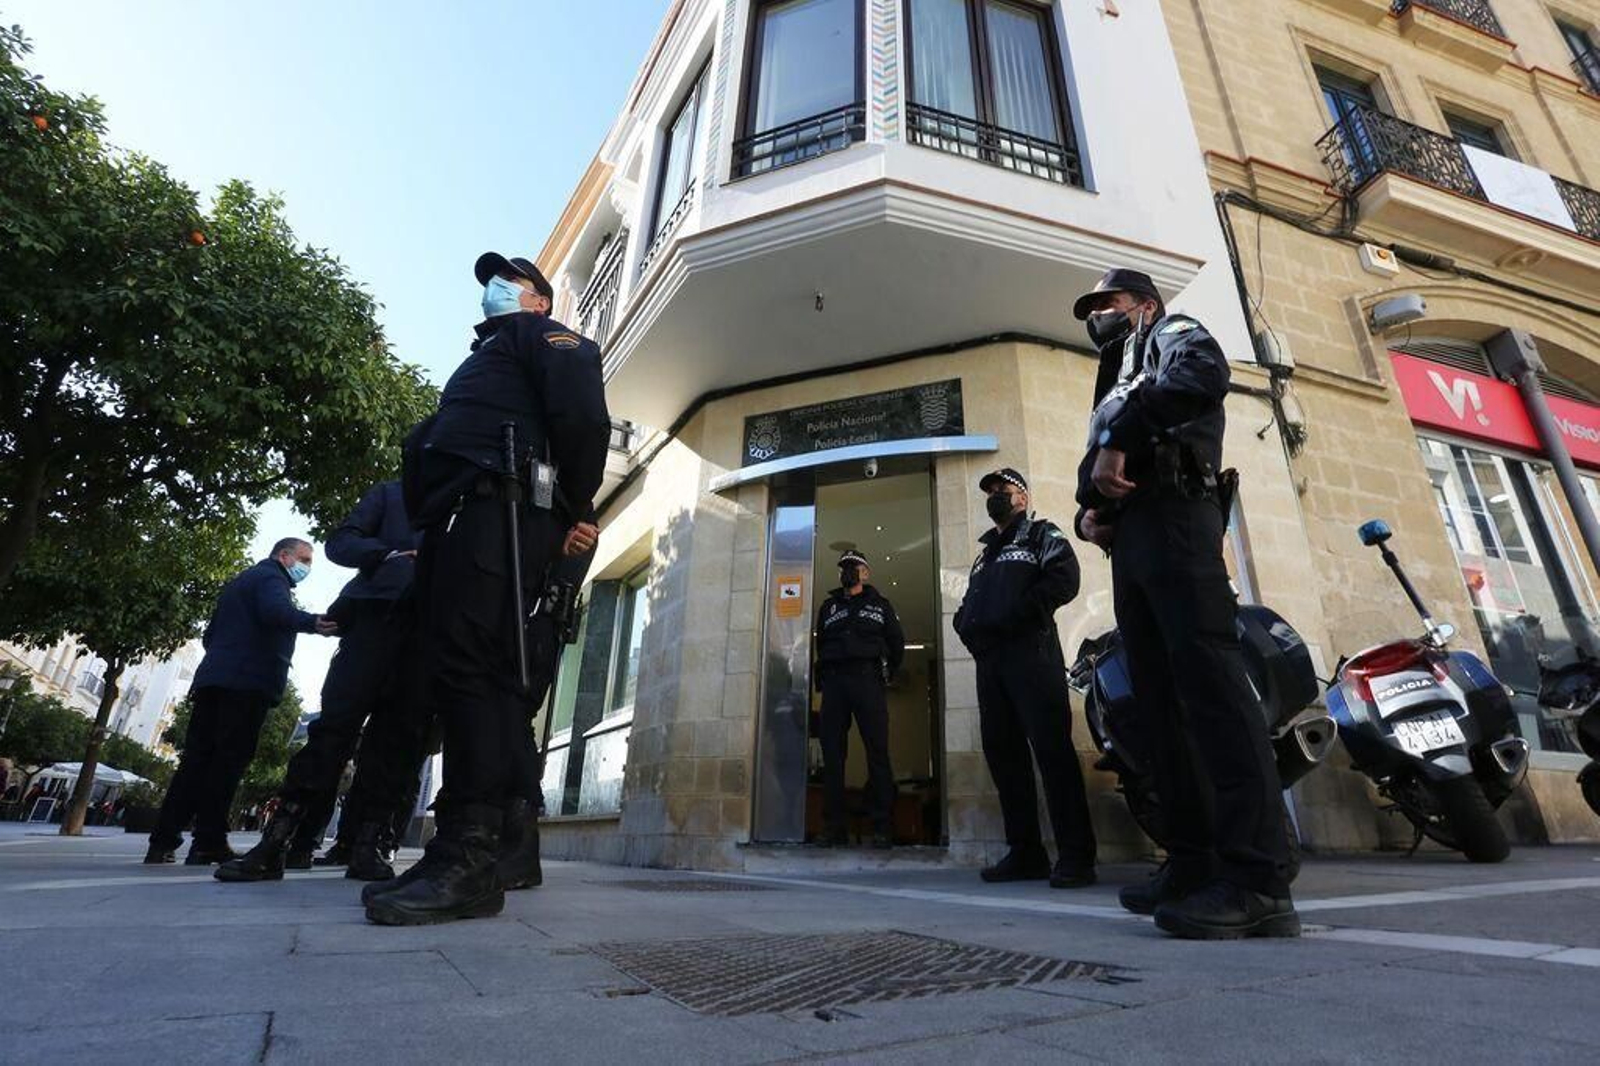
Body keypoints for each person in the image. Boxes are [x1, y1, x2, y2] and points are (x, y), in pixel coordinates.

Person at [363, 251, 610, 926]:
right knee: (461, 674)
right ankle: (468, 846)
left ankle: (469, 855)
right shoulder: (488, 355)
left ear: (540, 301)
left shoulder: (539, 334)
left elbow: (583, 419)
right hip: (460, 519)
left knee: (478, 671)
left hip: (502, 513)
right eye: (491, 282)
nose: (495, 289)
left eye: (511, 281)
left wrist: (573, 507)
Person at [1072, 267, 1298, 940]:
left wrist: (1118, 440)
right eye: (1092, 309)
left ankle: (1258, 879)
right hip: (1133, 537)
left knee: (1212, 692)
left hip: (1178, 516)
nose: (1098, 316)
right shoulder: (1115, 377)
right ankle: (1194, 863)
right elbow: (1097, 465)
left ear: (1144, 303)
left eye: (1109, 303)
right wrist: (1087, 511)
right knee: (1159, 709)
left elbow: (1202, 377)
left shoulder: (1172, 332)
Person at [215, 481, 424, 883]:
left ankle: (368, 843)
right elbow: (342, 542)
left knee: (399, 738)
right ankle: (279, 839)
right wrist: (389, 554)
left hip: (430, 626)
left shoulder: (470, 497)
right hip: (374, 617)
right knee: (333, 730)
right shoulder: (392, 493)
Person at [145, 539, 337, 865]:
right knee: (227, 763)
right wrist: (313, 622)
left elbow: (210, 635)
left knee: (196, 761)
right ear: (284, 556)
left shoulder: (241, 582)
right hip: (246, 683)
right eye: (304, 559)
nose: (307, 567)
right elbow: (275, 612)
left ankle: (163, 841)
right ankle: (208, 841)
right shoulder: (272, 578)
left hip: (214, 679)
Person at [954, 468, 1097, 889]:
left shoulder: (1041, 534)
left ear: (1023, 496)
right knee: (1004, 756)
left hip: (1031, 654)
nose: (996, 495)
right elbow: (970, 603)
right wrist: (966, 626)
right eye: (991, 491)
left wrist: (1019, 616)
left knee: (1053, 752)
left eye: (1004, 489)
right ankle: (1026, 853)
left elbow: (1065, 579)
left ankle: (1076, 856)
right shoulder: (985, 554)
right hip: (991, 663)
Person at [813, 549, 905, 848]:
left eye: (854, 566)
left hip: (868, 680)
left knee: (877, 752)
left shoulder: (881, 605)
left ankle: (881, 827)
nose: (848, 571)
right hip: (835, 682)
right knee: (832, 755)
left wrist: (886, 673)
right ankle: (834, 828)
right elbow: (821, 644)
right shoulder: (828, 608)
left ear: (866, 573)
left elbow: (896, 643)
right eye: (844, 567)